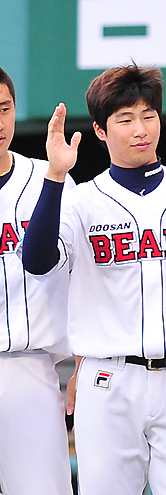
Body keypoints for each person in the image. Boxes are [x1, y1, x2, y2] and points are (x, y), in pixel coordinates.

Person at [20, 64, 166, 495]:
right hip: (108, 381)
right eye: (125, 119)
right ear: (100, 130)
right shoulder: (81, 200)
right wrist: (54, 177)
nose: (140, 129)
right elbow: (36, 262)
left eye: (148, 115)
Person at [0, 66, 74, 495]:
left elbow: (82, 278)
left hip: (27, 364)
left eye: (4, 109)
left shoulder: (49, 178)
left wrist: (83, 361)